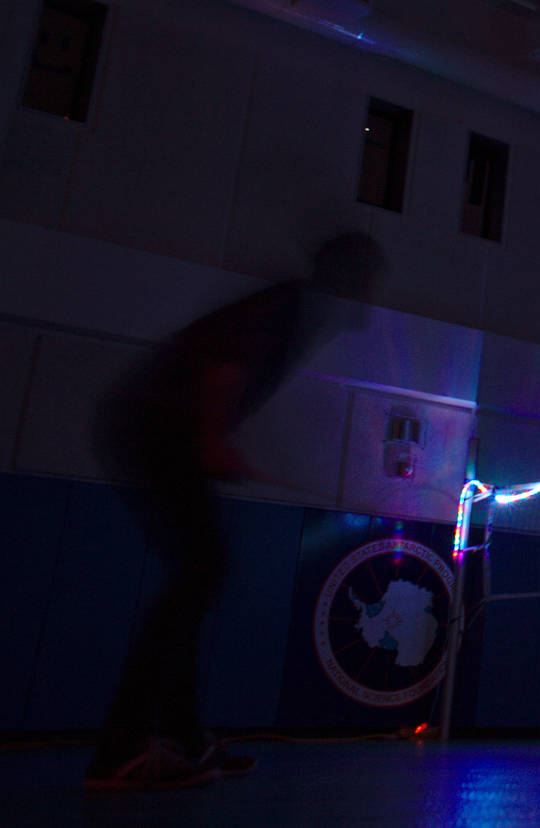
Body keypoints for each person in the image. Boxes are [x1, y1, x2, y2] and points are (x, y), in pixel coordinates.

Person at [85, 233, 386, 791]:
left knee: (198, 580)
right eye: (368, 278)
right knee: (201, 576)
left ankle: (184, 740)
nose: (371, 293)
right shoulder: (293, 306)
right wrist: (209, 438)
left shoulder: (301, 310)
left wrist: (210, 439)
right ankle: (122, 748)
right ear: (349, 277)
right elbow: (223, 363)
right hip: (156, 429)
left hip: (155, 430)